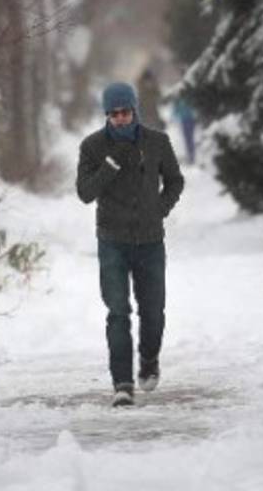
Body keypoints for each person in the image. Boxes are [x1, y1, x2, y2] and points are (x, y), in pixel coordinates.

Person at [76, 82, 185, 407]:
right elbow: (84, 193)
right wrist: (108, 167)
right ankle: (122, 384)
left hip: (150, 241)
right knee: (118, 312)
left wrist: (160, 208)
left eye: (125, 112)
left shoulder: (157, 142)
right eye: (113, 114)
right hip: (112, 241)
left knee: (153, 311)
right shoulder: (93, 147)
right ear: (106, 115)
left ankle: (149, 359)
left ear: (134, 110)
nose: (120, 119)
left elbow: (175, 180)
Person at [171, 97, 196, 164]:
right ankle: (191, 155)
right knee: (189, 139)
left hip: (187, 121)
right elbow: (175, 113)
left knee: (188, 139)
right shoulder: (185, 99)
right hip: (188, 121)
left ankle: (191, 156)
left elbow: (175, 113)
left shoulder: (179, 101)